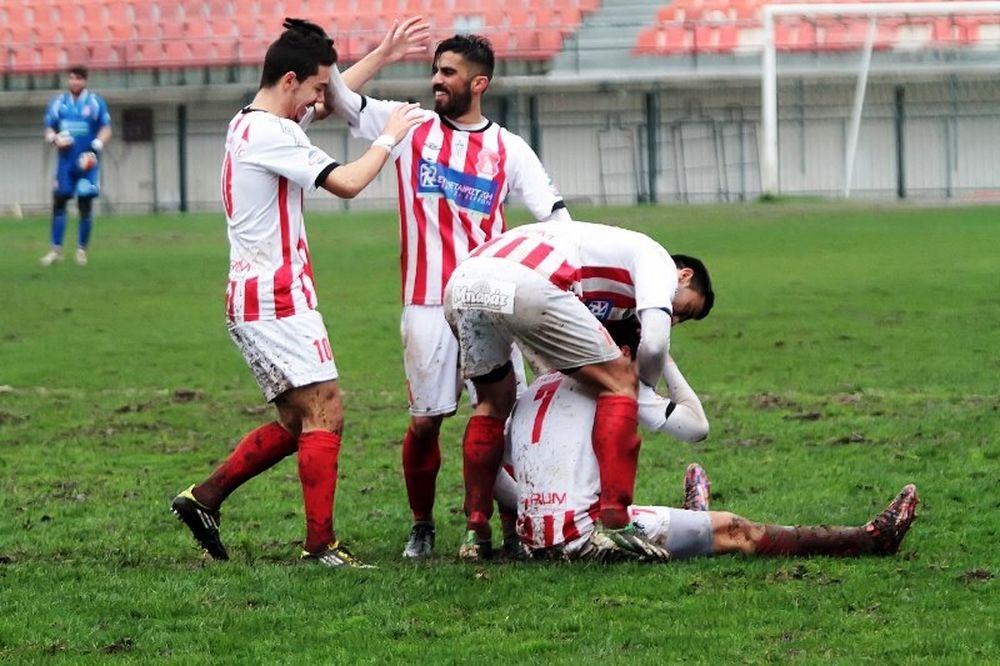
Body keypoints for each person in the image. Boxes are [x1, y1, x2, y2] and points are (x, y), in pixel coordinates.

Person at [170, 18, 424, 569]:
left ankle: (204, 499)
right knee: (326, 414)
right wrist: (389, 135)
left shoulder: (249, 119)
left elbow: (331, 96)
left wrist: (380, 54)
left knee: (298, 422)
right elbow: (351, 183)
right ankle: (320, 546)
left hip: (254, 292)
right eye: (313, 89)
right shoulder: (274, 134)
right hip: (277, 296)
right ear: (290, 81)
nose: (321, 100)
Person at [322, 23, 572, 559]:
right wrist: (385, 53)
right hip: (427, 302)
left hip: (490, 304)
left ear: (479, 83)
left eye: (449, 72)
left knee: (505, 414)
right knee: (425, 421)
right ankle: (422, 525)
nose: (437, 80)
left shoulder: (509, 148)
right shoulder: (408, 125)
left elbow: (556, 218)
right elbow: (336, 95)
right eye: (435, 70)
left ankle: (507, 525)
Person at [498, 319, 919, 562]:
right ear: (623, 351)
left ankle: (695, 516)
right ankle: (868, 539)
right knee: (738, 531)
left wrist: (536, 511)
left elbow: (499, 472)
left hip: (536, 538)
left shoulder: (536, 390)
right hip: (583, 540)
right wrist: (666, 360)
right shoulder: (610, 383)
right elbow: (697, 427)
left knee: (618, 502)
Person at [443, 220, 715, 560]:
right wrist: (640, 381)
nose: (675, 318)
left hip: (465, 278)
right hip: (527, 279)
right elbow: (657, 344)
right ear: (684, 275)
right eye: (685, 310)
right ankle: (615, 521)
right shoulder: (657, 260)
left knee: (491, 405)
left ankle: (475, 529)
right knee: (619, 383)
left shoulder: (544, 379)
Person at [41, 65, 112, 267]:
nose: (74, 82)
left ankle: (81, 250)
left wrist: (98, 143)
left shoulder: (95, 103)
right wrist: (54, 138)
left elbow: (106, 128)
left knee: (85, 205)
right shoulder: (58, 103)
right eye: (71, 78)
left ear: (85, 81)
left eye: (78, 78)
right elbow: (48, 128)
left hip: (87, 164)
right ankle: (56, 250)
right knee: (59, 203)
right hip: (65, 164)